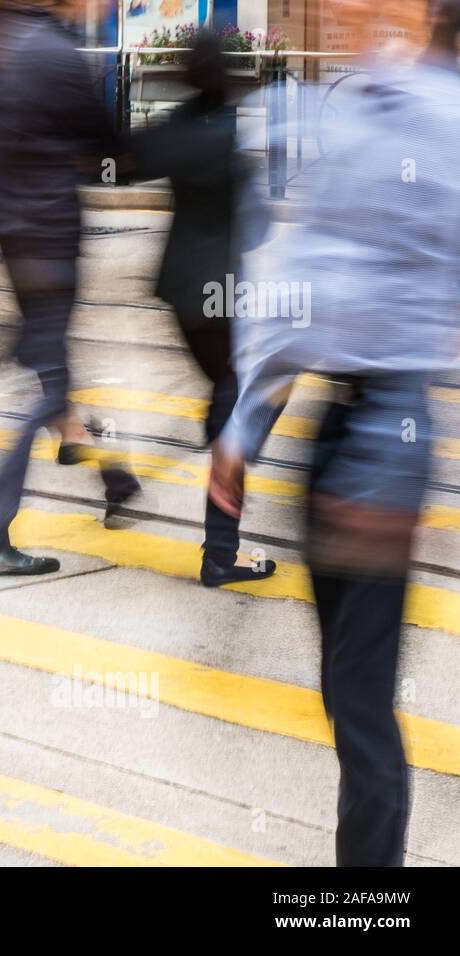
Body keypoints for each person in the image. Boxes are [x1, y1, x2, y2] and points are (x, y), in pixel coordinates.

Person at [210, 0, 459, 866]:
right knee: (353, 693)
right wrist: (245, 425)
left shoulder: (411, 115)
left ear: (426, 22)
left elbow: (322, 280)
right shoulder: (379, 109)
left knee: (356, 698)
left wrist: (246, 424)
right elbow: (318, 272)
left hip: (369, 430)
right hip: (361, 428)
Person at [0, 0, 139, 576]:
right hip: (51, 238)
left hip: (14, 236)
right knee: (47, 387)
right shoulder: (56, 54)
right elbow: (111, 146)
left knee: (50, 361)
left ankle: (115, 476)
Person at [131, 30, 277, 588]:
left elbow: (121, 162)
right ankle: (221, 552)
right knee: (236, 403)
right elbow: (258, 225)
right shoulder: (226, 139)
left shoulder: (176, 126)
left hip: (183, 290)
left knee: (228, 393)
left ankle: (221, 537)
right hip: (221, 292)